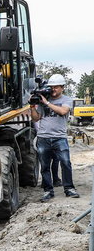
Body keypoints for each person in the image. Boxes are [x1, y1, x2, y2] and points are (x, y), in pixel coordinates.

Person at [30, 74, 79, 202]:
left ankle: (69, 188)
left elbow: (63, 111)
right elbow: (36, 118)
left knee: (66, 163)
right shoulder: (43, 100)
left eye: (56, 87)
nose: (53, 89)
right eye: (51, 87)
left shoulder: (67, 100)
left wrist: (47, 103)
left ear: (62, 87)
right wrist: (32, 107)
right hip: (43, 138)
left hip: (59, 138)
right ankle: (48, 191)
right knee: (45, 166)